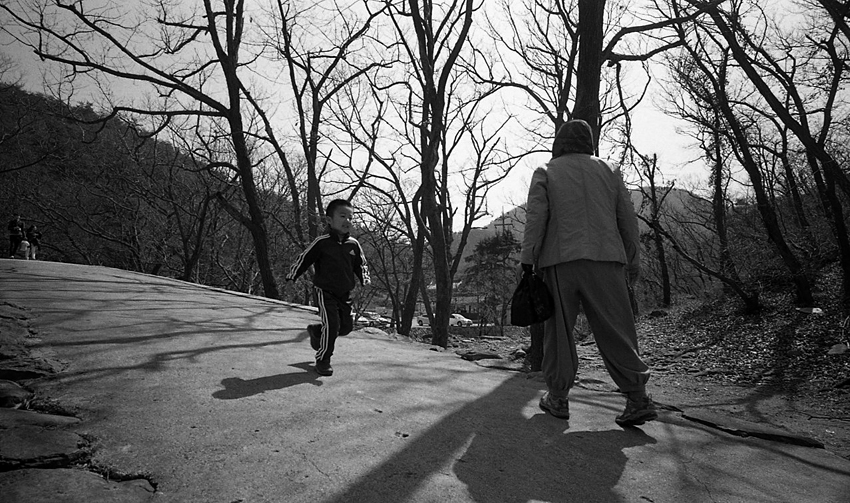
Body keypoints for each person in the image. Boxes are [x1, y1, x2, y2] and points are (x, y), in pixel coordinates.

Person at [520, 119, 656, 427]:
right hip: (607, 258)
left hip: (561, 260)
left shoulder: (546, 171)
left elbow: (536, 220)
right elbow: (627, 220)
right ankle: (637, 397)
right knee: (617, 329)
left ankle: (558, 397)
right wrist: (632, 260)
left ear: (560, 142)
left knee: (559, 332)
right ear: (589, 143)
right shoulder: (609, 170)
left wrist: (528, 260)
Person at [285, 199, 370, 376]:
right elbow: (304, 259)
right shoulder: (322, 242)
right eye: (343, 216)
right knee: (332, 326)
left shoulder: (353, 244)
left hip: (344, 293)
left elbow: (361, 265)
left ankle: (317, 331)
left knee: (345, 328)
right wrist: (292, 276)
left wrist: (365, 280)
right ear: (330, 220)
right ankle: (323, 360)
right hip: (324, 291)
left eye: (350, 217)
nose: (347, 221)